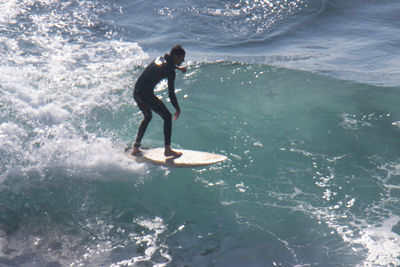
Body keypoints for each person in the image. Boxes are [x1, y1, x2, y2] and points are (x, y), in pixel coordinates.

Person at [131, 45, 186, 157]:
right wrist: (177, 108)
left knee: (147, 116)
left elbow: (164, 65)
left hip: (137, 92)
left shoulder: (160, 58)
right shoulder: (170, 71)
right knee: (167, 117)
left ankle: (136, 147)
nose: (183, 60)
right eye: (182, 58)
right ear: (176, 56)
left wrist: (178, 68)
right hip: (146, 94)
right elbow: (171, 93)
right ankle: (168, 150)